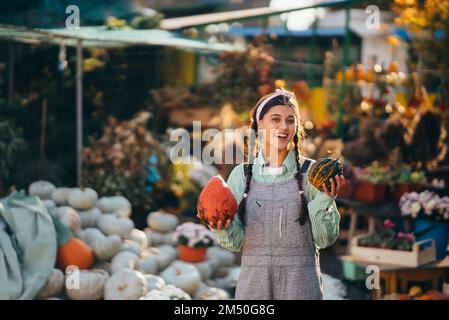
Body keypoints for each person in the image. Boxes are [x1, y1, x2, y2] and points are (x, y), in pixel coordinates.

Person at [200, 89, 345, 300]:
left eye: (290, 120)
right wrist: (222, 227)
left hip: (301, 286)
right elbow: (236, 243)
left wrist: (324, 199)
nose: (283, 127)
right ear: (260, 125)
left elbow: (325, 240)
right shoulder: (241, 176)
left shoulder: (313, 175)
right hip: (254, 288)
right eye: (275, 119)